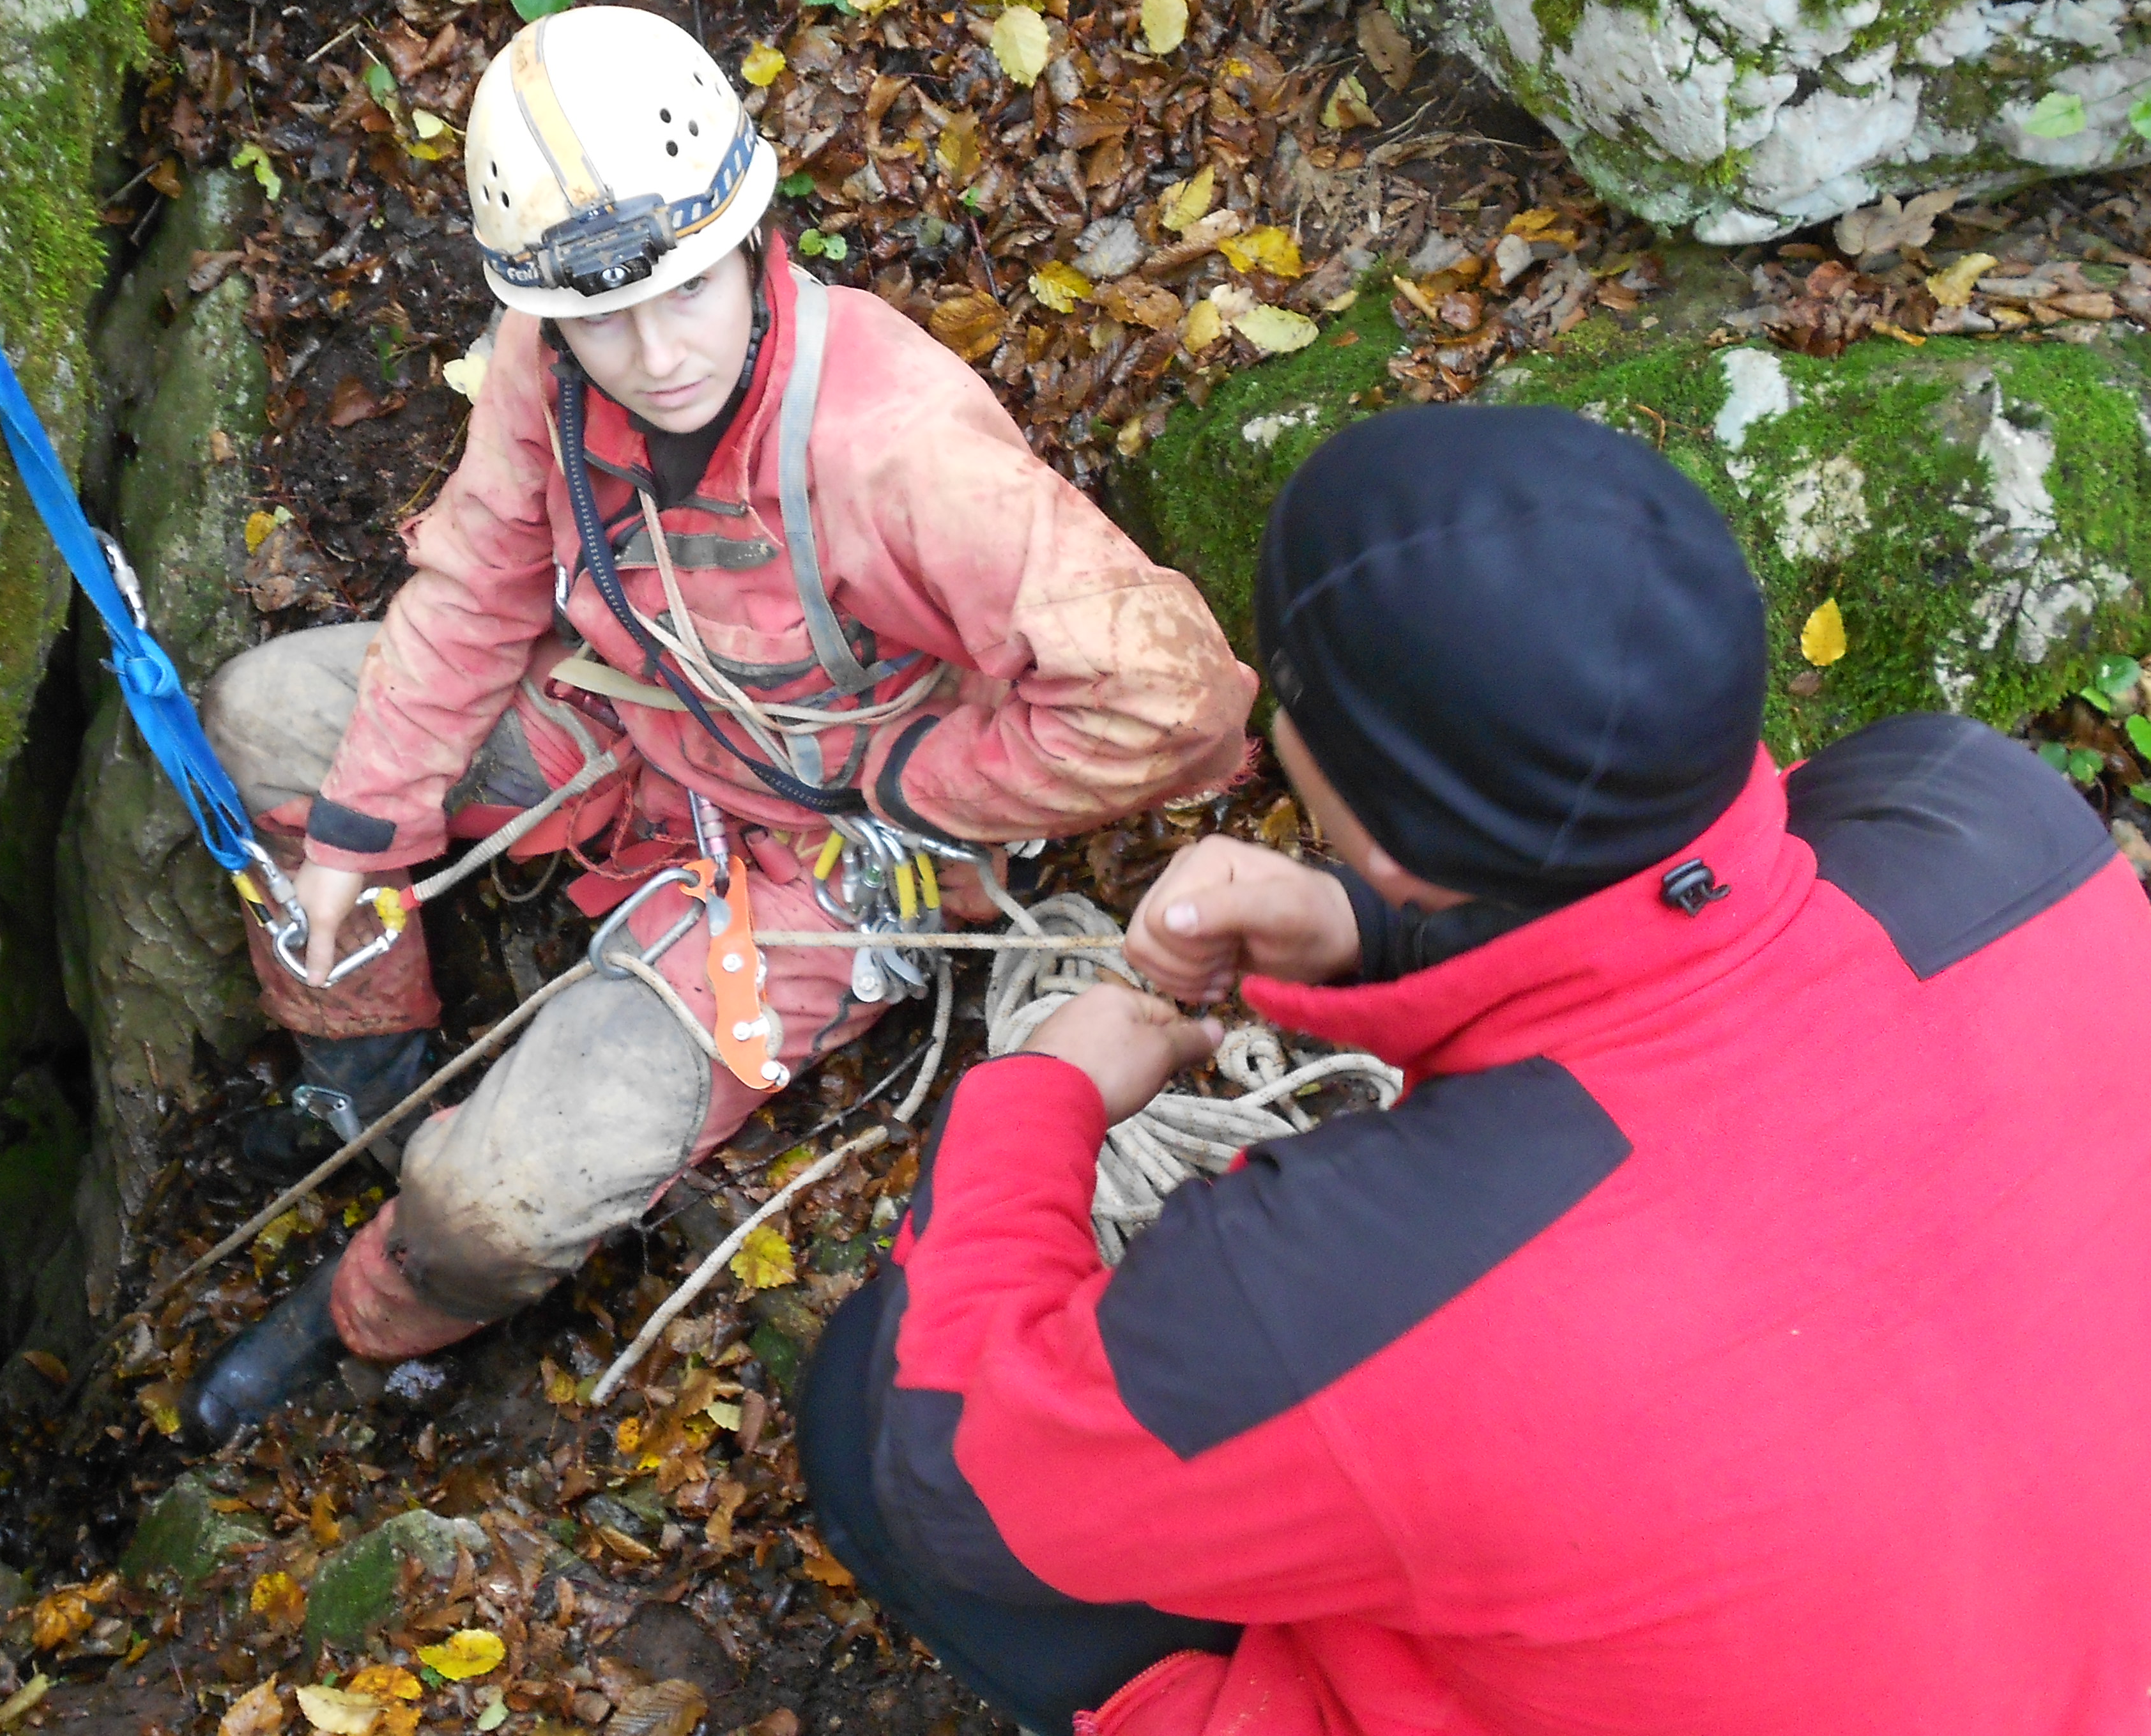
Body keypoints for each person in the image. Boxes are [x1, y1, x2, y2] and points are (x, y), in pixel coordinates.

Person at [801, 403, 2151, 1736]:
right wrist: (1375, 931)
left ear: (1362, 813)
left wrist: (1043, 1094)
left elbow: (961, 1471)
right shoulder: (1986, 822)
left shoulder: (1345, 1284)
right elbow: (1711, 896)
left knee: (876, 1396)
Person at [183, 4, 1254, 1440]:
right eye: (600, 318)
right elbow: (479, 583)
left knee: (489, 1202)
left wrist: (915, 776)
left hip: (830, 846)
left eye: (686, 292)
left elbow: (1178, 703)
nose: (653, 352)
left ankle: (370, 1308)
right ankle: (361, 1090)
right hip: (643, 722)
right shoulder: (551, 364)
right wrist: (358, 843)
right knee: (264, 721)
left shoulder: (890, 447)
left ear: (754, 237)